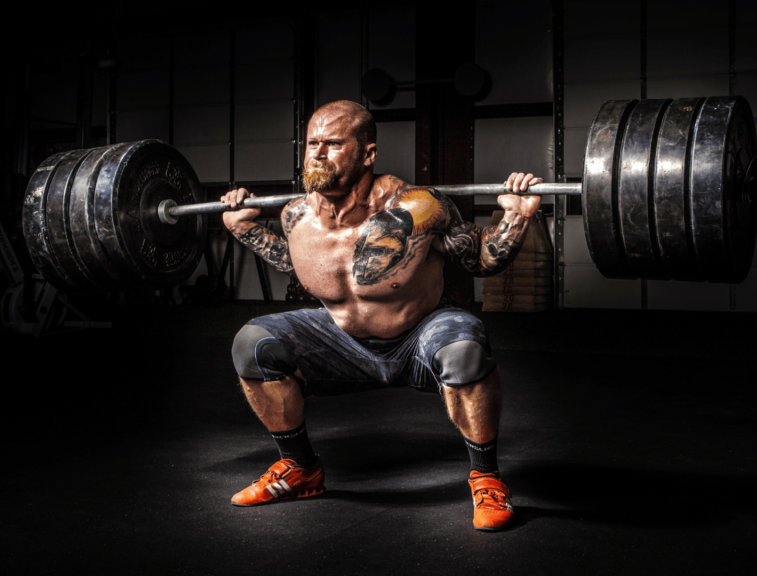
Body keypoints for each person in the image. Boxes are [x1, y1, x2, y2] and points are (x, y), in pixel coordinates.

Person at [221, 100, 542, 531]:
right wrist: (245, 229)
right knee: (253, 343)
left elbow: (481, 259)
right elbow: (293, 262)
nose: (317, 153)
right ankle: (300, 469)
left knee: (465, 345)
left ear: (368, 154)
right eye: (312, 143)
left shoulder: (421, 207)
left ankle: (486, 477)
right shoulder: (295, 215)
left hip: (417, 335)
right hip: (340, 341)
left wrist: (516, 217)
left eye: (333, 144)